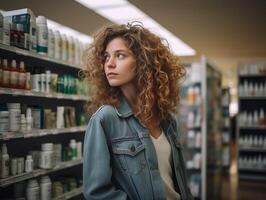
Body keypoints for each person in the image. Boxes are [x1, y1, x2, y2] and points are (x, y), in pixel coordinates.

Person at [82, 22, 193, 200]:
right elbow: (97, 193)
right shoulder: (104, 120)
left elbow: (178, 180)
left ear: (143, 62)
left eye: (119, 55)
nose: (109, 64)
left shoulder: (167, 120)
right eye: (106, 57)